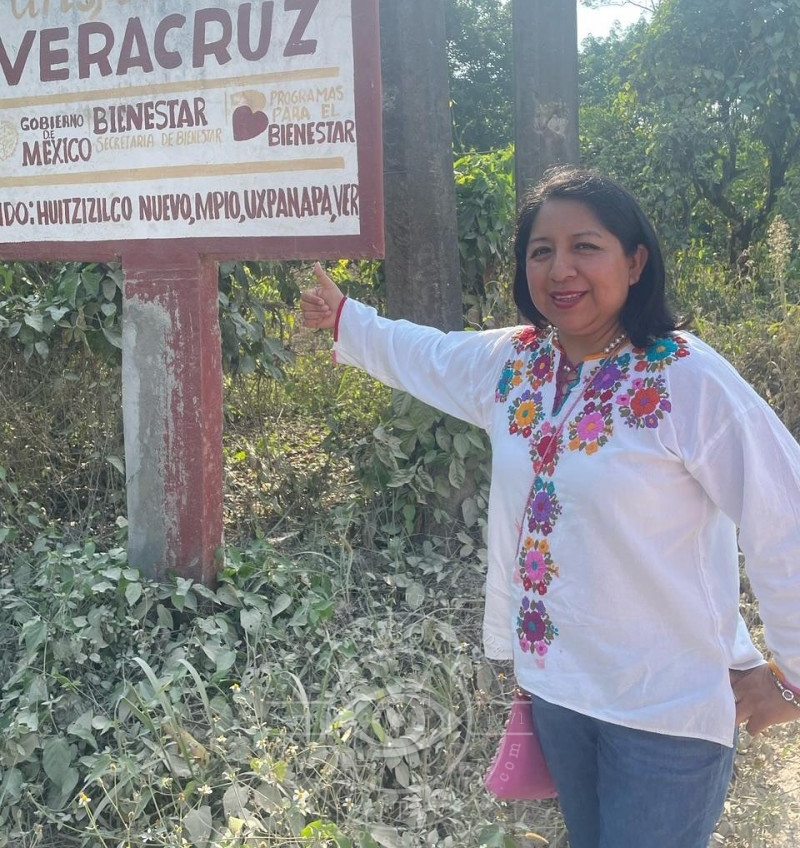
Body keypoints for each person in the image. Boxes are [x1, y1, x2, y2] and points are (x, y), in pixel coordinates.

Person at [300, 166, 800, 848]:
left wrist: (792, 678)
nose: (560, 268)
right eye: (541, 251)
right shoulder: (517, 363)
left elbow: (784, 512)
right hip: (559, 691)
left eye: (584, 246)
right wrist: (346, 319)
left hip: (666, 710)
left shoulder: (686, 375)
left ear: (635, 261)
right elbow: (430, 355)